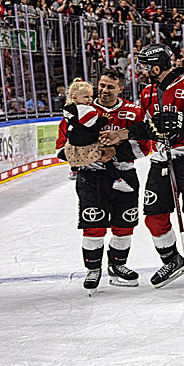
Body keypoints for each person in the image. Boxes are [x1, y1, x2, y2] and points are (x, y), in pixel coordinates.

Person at [101, 43, 184, 293]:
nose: (142, 71)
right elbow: (146, 127)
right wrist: (122, 134)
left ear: (157, 66)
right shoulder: (148, 93)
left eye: (145, 66)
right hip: (161, 159)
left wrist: (181, 123)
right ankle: (172, 261)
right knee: (154, 217)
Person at [55, 71, 152, 294]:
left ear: (121, 89)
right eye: (102, 85)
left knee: (124, 225)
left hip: (125, 174)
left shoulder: (133, 111)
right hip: (91, 176)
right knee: (93, 225)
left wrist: (114, 152)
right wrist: (90, 154)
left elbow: (144, 147)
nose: (104, 90)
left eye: (110, 86)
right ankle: (93, 269)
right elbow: (62, 146)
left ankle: (118, 266)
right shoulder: (80, 109)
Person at [59, 79, 134, 194]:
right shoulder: (85, 109)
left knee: (74, 157)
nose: (90, 100)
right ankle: (117, 180)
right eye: (86, 97)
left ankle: (74, 171)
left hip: (73, 142)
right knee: (105, 156)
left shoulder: (68, 108)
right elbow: (92, 126)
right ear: (74, 97)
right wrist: (104, 119)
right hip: (86, 142)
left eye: (90, 96)